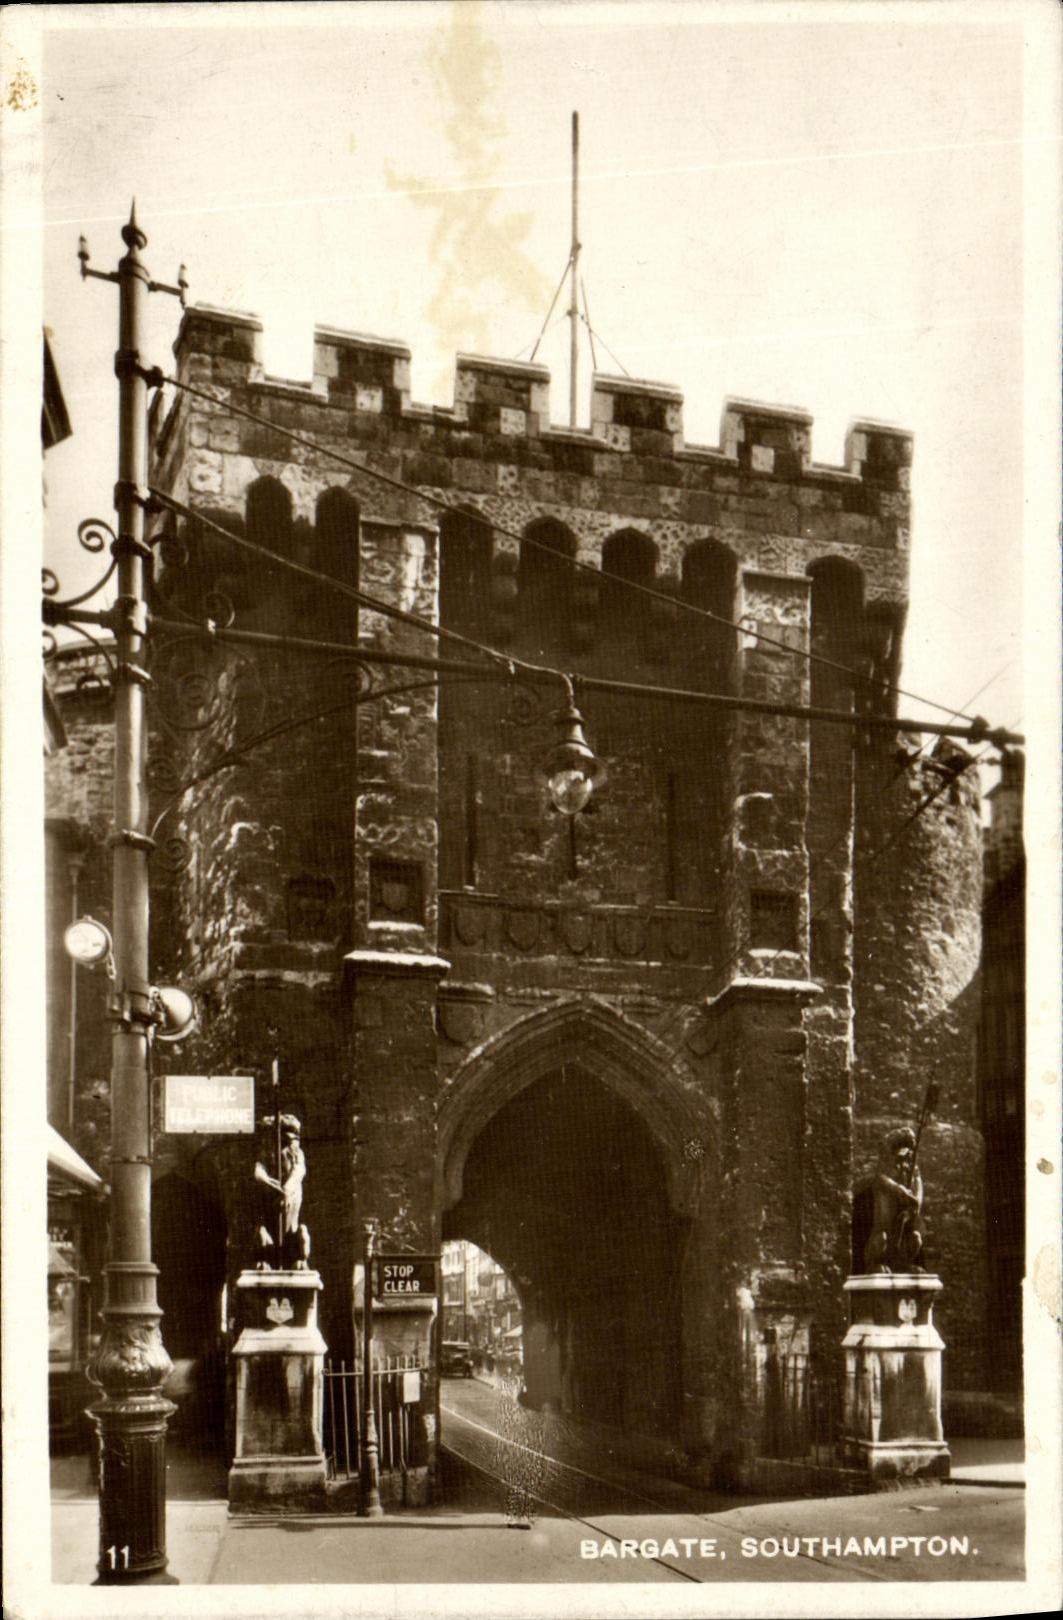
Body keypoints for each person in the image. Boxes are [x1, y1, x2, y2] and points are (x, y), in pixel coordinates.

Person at [863, 1126, 924, 1274]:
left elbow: (918, 1189)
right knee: (882, 1238)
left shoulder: (912, 1168)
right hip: (887, 1218)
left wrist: (913, 1207)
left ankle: (903, 1264)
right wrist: (900, 1190)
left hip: (904, 1216)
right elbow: (881, 1180)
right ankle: (875, 1263)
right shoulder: (886, 1166)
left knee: (914, 1238)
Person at [254, 1113, 310, 1269]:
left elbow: (299, 1171)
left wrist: (286, 1190)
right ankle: (265, 1260)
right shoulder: (268, 1152)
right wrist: (267, 1181)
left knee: (298, 1231)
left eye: (292, 1139)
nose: (291, 1142)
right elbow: (258, 1170)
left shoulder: (297, 1153)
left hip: (291, 1198)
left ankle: (298, 1259)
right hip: (271, 1199)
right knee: (263, 1231)